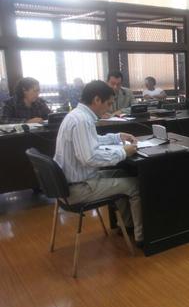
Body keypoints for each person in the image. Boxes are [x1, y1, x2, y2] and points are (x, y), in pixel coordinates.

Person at [53, 80, 143, 245]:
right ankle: (141, 237)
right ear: (96, 100)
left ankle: (127, 225)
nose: (109, 108)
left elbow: (92, 141)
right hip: (78, 188)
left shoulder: (77, 115)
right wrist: (124, 151)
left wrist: (117, 137)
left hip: (72, 184)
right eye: (108, 103)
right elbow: (90, 158)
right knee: (135, 185)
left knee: (122, 173)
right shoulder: (82, 120)